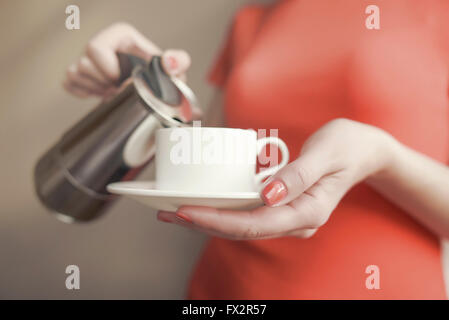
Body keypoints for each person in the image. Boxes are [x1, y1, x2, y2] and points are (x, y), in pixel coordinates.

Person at [63, 0, 449, 299]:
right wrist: (146, 97)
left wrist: (383, 158)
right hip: (229, 291)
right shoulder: (254, 18)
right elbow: (207, 152)